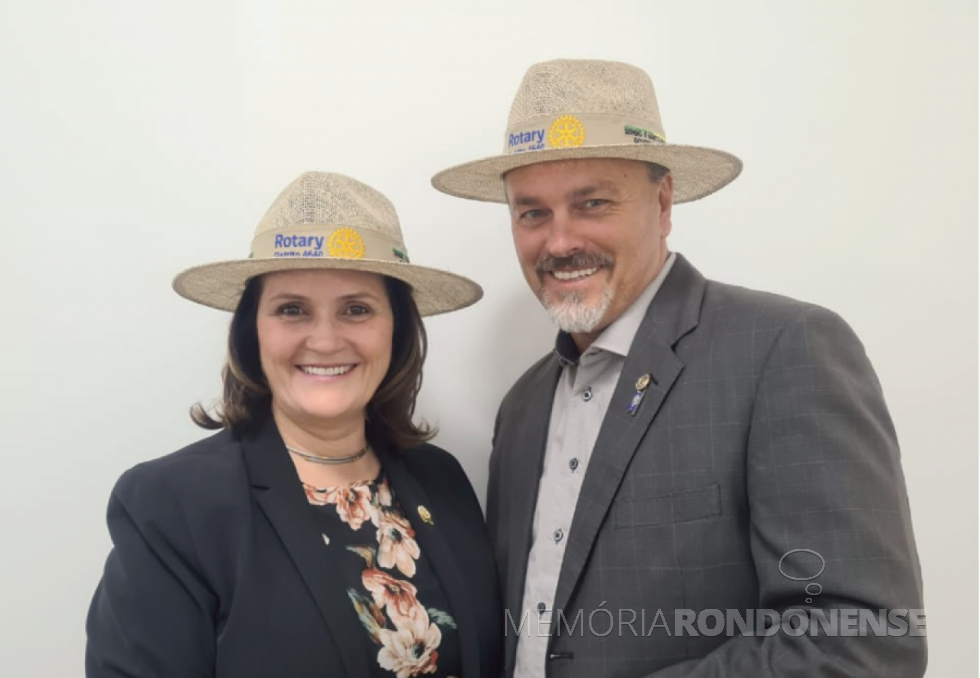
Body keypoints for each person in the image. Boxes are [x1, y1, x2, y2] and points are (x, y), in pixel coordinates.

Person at [432, 59, 926, 677]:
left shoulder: (784, 350)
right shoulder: (523, 407)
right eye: (532, 213)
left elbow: (864, 640)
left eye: (592, 203)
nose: (559, 242)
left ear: (662, 203)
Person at [86, 172, 503, 678]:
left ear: (396, 329)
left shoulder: (441, 479)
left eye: (356, 309)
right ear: (251, 332)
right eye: (291, 310)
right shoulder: (171, 507)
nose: (324, 341)